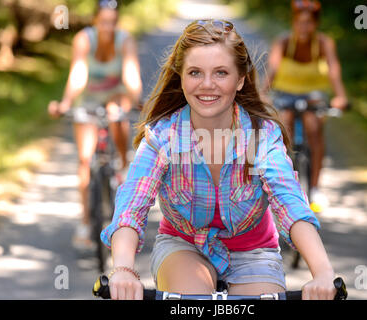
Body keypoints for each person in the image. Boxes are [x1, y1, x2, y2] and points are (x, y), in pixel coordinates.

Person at [101, 19, 338, 300]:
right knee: (193, 303)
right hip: (183, 245)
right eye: (195, 72)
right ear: (181, 77)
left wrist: (322, 272)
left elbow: (291, 204)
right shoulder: (163, 136)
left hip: (253, 251)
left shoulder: (261, 136)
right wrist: (124, 269)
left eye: (221, 73)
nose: (207, 84)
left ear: (240, 79)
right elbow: (131, 206)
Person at [48, 0, 142, 249]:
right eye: (104, 22)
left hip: (116, 95)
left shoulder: (125, 40)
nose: (108, 27)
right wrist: (66, 103)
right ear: (95, 21)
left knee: (116, 113)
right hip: (88, 99)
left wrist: (135, 99)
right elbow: (78, 73)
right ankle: (85, 220)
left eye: (113, 22)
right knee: (84, 159)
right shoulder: (83, 39)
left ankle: (122, 165)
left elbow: (131, 76)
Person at [263, 0, 348, 212]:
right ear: (293, 23)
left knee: (313, 126)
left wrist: (340, 96)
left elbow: (334, 71)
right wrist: (262, 94)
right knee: (284, 125)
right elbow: (271, 72)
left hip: (314, 95)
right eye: (299, 23)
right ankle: (279, 180)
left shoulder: (323, 43)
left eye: (308, 23)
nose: (303, 27)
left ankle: (316, 187)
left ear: (315, 24)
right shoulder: (283, 43)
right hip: (285, 93)